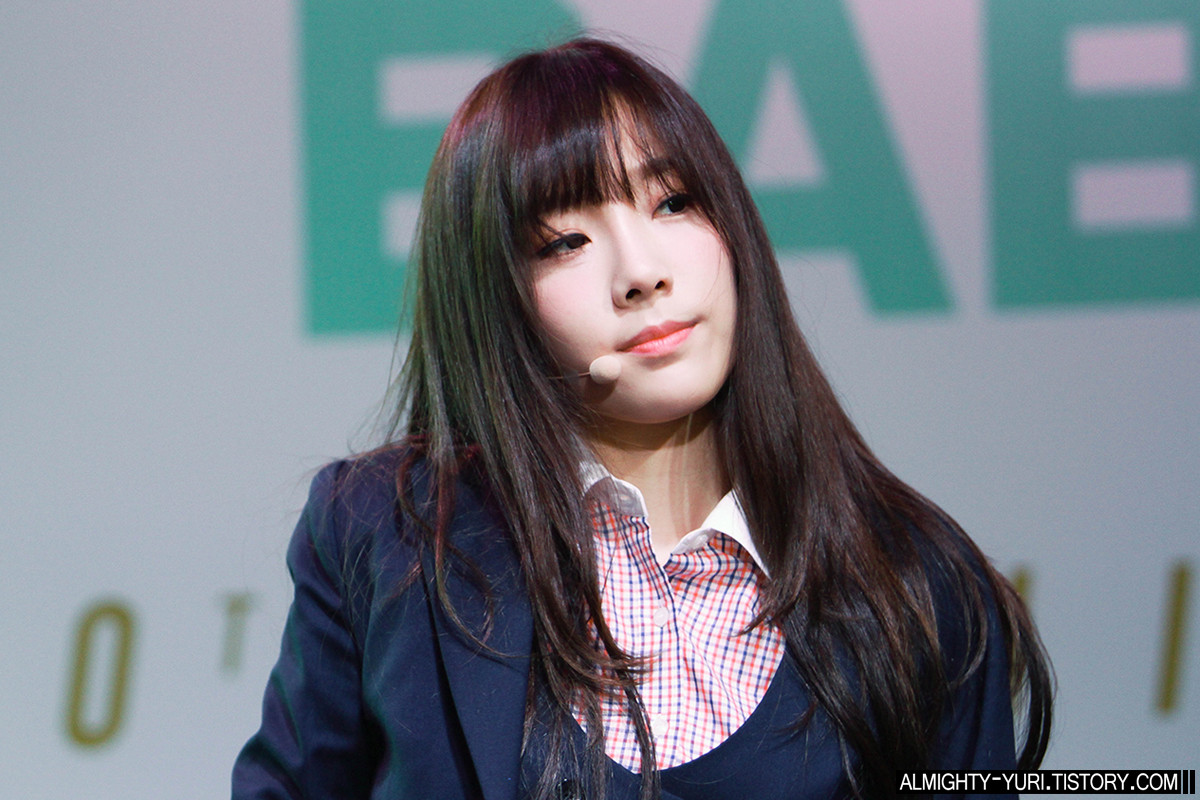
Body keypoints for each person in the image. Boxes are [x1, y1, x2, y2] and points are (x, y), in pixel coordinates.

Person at [232, 37, 1052, 800]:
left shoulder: (917, 583)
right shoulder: (388, 538)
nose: (641, 273)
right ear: (495, 298)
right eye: (564, 241)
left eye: (673, 202)